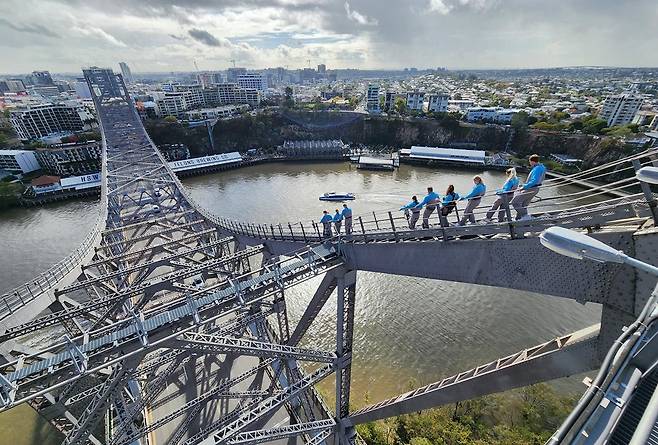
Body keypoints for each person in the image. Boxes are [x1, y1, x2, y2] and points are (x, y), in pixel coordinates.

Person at [511, 154, 546, 220]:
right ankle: (519, 219)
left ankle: (526, 217)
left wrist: (525, 187)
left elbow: (534, 180)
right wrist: (524, 185)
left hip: (531, 188)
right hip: (535, 188)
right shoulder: (542, 167)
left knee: (515, 202)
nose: (529, 163)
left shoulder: (537, 169)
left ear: (532, 161)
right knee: (524, 204)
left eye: (530, 162)